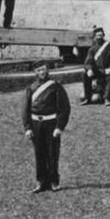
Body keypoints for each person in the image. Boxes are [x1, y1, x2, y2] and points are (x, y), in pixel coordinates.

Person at [22, 60, 71, 193]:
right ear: (35, 72)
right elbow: (25, 110)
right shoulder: (31, 88)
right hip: (36, 124)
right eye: (39, 70)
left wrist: (59, 127)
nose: (42, 72)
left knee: (52, 153)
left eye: (44, 69)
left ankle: (54, 182)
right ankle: (41, 182)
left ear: (47, 70)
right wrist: (28, 128)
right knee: (39, 153)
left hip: (51, 124)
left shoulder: (56, 86)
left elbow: (65, 109)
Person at [81, 26, 110, 105]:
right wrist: (89, 69)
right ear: (95, 37)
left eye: (101, 35)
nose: (99, 37)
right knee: (84, 74)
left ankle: (107, 98)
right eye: (97, 35)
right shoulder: (92, 48)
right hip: (97, 71)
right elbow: (87, 62)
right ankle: (87, 98)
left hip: (107, 70)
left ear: (103, 35)